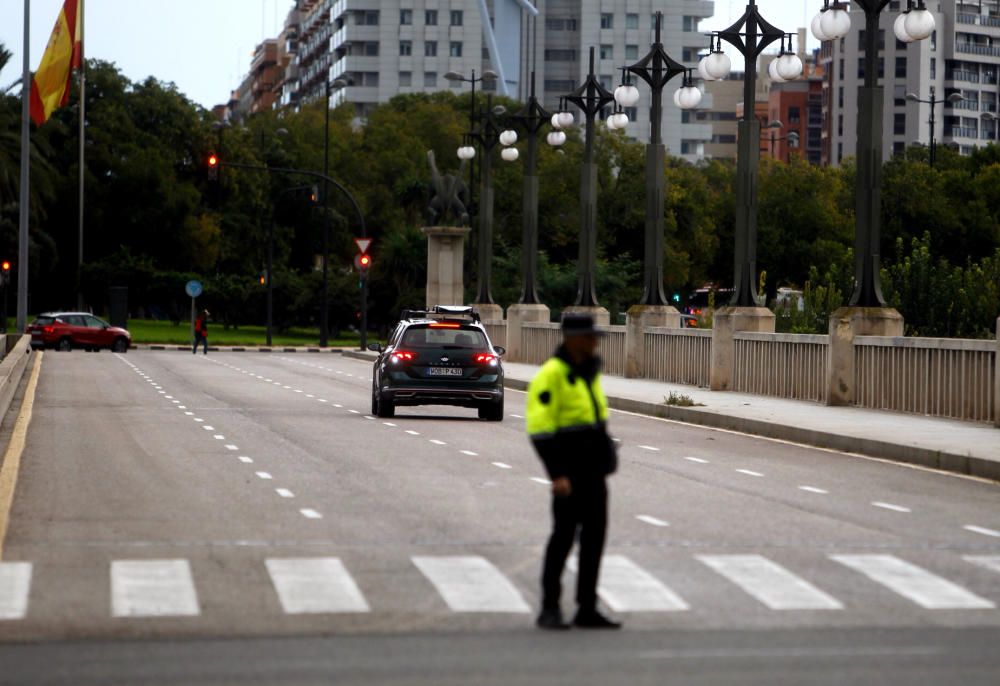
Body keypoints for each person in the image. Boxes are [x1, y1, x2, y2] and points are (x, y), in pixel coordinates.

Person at [526, 313, 620, 631]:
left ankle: (587, 609)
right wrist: (557, 474)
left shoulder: (588, 373)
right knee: (563, 541)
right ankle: (549, 608)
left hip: (595, 475)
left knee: (594, 542)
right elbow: (540, 430)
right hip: (569, 476)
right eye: (590, 337)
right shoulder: (552, 375)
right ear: (573, 339)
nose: (595, 343)